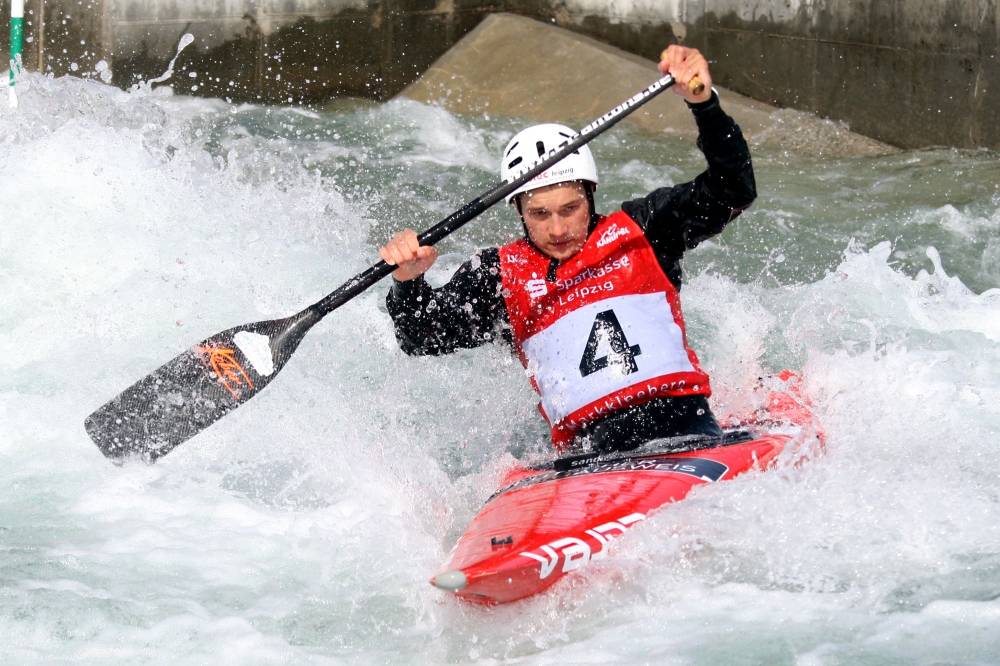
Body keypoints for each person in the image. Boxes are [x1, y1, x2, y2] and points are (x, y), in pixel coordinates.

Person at [378, 46, 756, 454]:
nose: (557, 229)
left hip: (689, 431)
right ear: (518, 209)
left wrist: (704, 105)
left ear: (591, 194)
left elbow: (733, 190)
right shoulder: (499, 275)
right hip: (591, 456)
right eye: (539, 214)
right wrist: (408, 282)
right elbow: (420, 338)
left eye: (570, 209)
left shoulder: (645, 229)